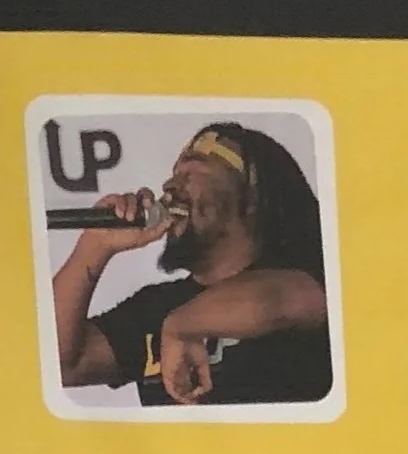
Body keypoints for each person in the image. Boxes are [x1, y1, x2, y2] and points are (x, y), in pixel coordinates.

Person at [51, 120, 332, 409]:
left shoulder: (310, 273)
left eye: (190, 172)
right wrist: (95, 245)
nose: (170, 186)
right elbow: (60, 363)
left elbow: (271, 299)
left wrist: (180, 327)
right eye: (174, 174)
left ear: (251, 196)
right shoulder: (154, 307)